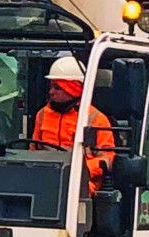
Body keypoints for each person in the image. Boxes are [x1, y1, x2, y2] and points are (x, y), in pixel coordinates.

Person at [31, 54, 115, 192]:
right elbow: (33, 151)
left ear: (73, 89)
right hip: (46, 181)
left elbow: (107, 159)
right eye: (51, 86)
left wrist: (79, 171)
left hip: (82, 188)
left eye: (57, 87)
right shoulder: (42, 114)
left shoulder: (95, 119)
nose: (51, 92)